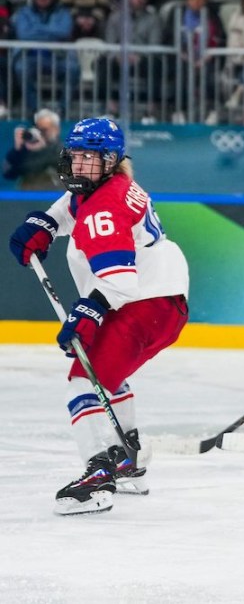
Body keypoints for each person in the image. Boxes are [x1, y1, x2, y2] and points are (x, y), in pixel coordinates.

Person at [7, 118, 189, 516]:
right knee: (106, 374)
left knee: (82, 380)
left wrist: (88, 310)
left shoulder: (105, 205)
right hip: (158, 301)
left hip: (144, 302)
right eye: (76, 155)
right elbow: (70, 207)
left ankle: (99, 473)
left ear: (111, 161)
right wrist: (46, 224)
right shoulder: (103, 187)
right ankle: (128, 464)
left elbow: (120, 280)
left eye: (91, 157)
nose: (80, 164)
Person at [2, 107, 63, 190]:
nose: (40, 133)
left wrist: (42, 150)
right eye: (37, 129)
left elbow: (56, 166)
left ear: (56, 130)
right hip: (27, 198)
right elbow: (8, 173)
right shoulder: (27, 150)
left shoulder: (61, 150)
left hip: (53, 197)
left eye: (44, 130)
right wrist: (17, 151)